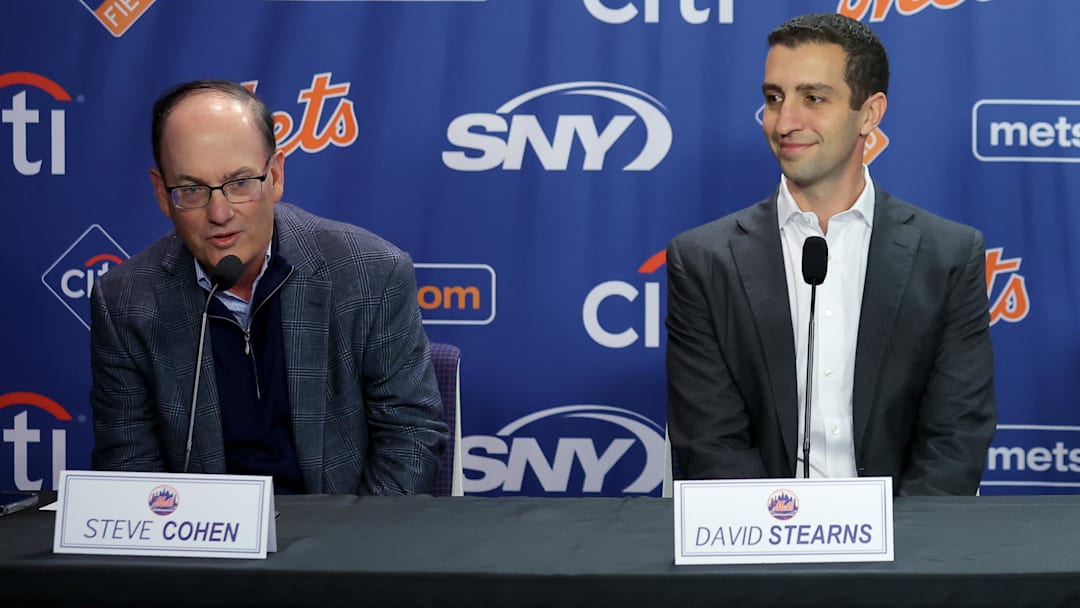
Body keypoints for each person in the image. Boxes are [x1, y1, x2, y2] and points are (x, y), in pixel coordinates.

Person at [665, 13, 996, 496]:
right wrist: (778, 534)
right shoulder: (702, 260)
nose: (785, 122)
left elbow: (955, 440)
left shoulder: (948, 256)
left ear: (870, 113)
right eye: (774, 98)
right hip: (756, 537)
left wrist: (897, 540)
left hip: (906, 537)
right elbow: (710, 445)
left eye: (814, 98)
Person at [89, 80, 446, 495]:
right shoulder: (125, 302)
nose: (219, 212)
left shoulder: (371, 274)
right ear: (162, 194)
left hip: (340, 526)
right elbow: (130, 470)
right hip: (201, 531)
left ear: (274, 176)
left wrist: (349, 535)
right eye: (192, 189)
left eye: (240, 183)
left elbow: (410, 439)